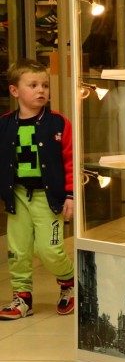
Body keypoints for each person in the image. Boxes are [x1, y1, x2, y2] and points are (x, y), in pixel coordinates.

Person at [0, 59, 75, 320]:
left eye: (45, 85)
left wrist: (70, 195)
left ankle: (69, 283)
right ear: (15, 91)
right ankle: (22, 298)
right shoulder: (4, 125)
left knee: (49, 249)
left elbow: (70, 161)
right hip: (17, 196)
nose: (41, 90)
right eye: (32, 85)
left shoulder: (59, 123)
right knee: (18, 250)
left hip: (48, 198)